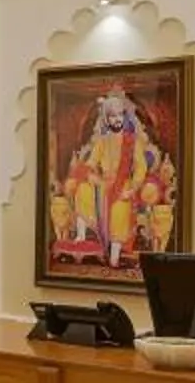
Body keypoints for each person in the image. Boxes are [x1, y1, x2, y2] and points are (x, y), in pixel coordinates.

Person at [47, 86, 179, 275]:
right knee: (83, 188)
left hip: (123, 185)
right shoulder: (101, 141)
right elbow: (91, 163)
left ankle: (114, 256)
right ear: (106, 119)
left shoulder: (132, 141)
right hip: (103, 183)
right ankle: (82, 236)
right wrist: (92, 175)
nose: (115, 120)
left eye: (119, 116)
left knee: (119, 208)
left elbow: (141, 168)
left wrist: (132, 189)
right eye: (112, 116)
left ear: (124, 117)